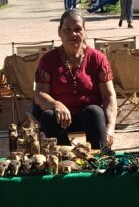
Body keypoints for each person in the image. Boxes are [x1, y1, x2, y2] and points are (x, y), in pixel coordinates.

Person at [33, 9, 117, 149]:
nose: (73, 34)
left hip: (89, 119)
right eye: (67, 30)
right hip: (60, 118)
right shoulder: (48, 60)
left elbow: (109, 95)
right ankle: (63, 156)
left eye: (78, 29)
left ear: (84, 32)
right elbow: (39, 94)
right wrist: (56, 105)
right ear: (59, 32)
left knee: (94, 112)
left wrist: (110, 128)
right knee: (48, 116)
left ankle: (100, 157)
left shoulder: (97, 58)